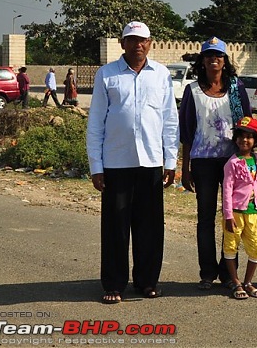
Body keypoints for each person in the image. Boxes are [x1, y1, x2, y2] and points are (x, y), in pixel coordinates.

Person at [86, 21, 179, 304]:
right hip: (116, 162)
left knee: (149, 226)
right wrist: (96, 166)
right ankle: (114, 284)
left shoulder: (161, 74)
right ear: (122, 43)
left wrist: (170, 160)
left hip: (151, 161)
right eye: (132, 40)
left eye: (143, 40)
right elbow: (95, 124)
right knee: (115, 226)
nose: (138, 45)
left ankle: (147, 282)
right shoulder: (107, 74)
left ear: (150, 43)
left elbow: (169, 120)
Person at [179, 37, 253, 291]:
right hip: (203, 162)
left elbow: (247, 125)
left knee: (233, 216)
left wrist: (249, 162)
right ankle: (207, 272)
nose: (214, 60)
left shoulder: (236, 88)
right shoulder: (193, 91)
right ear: (202, 61)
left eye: (218, 56)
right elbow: (186, 132)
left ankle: (228, 271)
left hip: (232, 162)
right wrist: (185, 168)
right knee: (206, 217)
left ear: (225, 60)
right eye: (209, 56)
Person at [222, 116, 257, 300]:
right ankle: (236, 282)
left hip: (253, 213)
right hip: (235, 213)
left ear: (255, 140)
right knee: (231, 247)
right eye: (241, 136)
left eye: (249, 137)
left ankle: (248, 281)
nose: (244, 140)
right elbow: (226, 189)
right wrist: (228, 215)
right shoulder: (232, 163)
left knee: (256, 248)